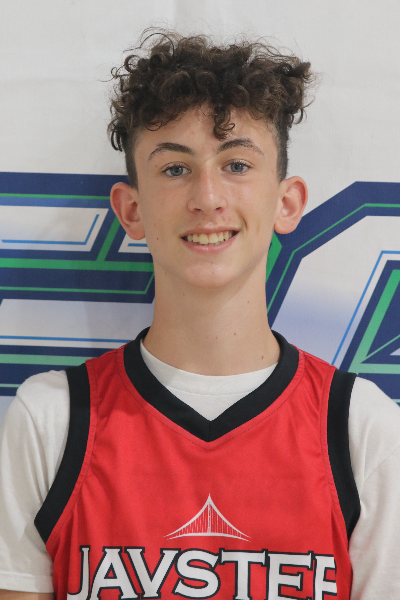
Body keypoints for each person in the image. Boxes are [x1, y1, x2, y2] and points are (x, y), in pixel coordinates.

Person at [1, 31, 400, 600]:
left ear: (286, 202)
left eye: (236, 164)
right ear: (132, 210)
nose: (207, 197)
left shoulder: (361, 429)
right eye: (174, 169)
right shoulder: (52, 421)